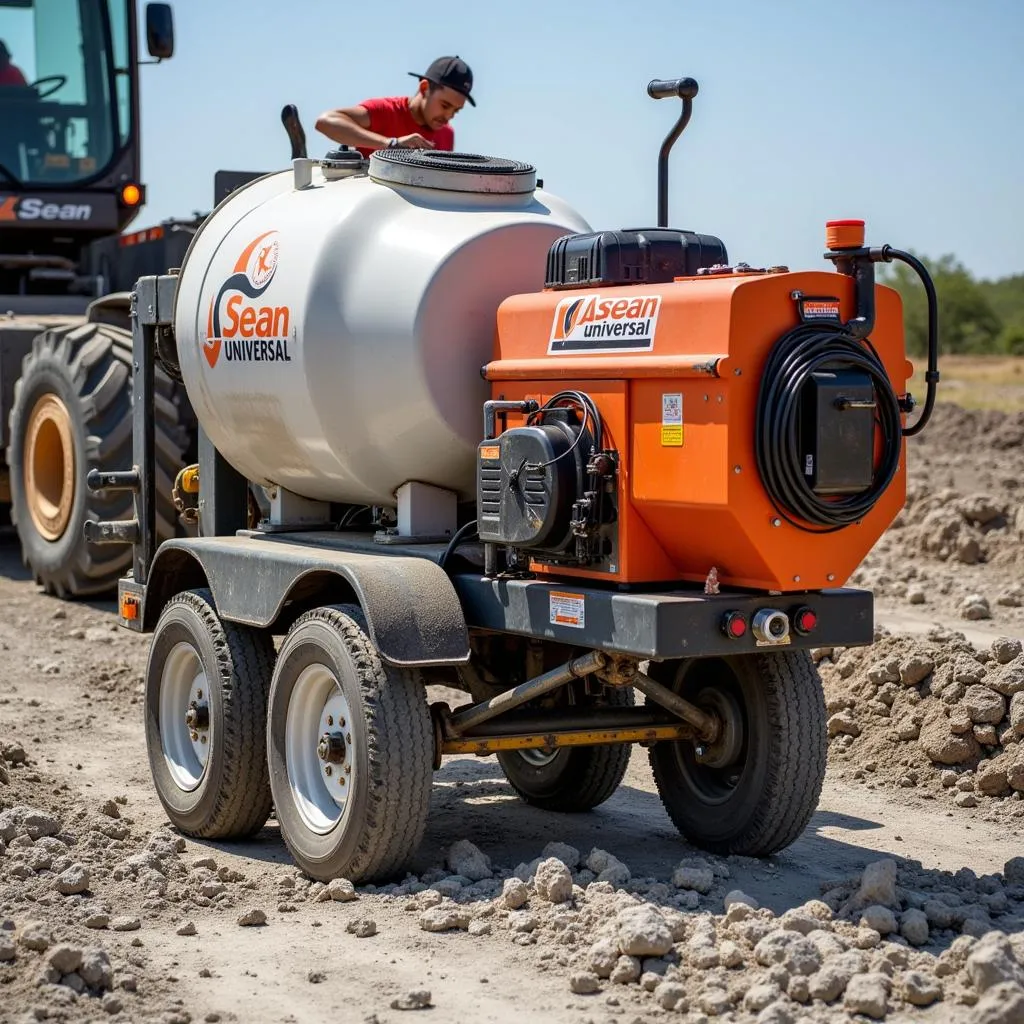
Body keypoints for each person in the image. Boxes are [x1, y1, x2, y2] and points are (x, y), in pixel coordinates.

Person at [315, 56, 475, 159]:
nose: (448, 116)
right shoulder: (384, 111)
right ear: (424, 88)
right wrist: (391, 144)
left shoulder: (447, 134)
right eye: (445, 105)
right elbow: (325, 122)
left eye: (456, 110)